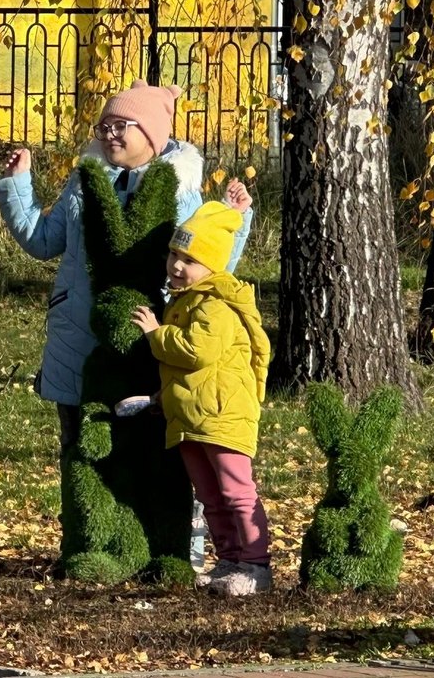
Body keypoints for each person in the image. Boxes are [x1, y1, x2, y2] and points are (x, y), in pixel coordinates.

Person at [0, 80, 253, 462]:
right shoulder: (84, 181)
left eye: (120, 127)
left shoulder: (180, 191)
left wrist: (236, 220)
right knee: (79, 439)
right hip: (78, 330)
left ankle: (161, 517)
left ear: (151, 133)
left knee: (148, 446)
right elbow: (42, 240)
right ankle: (80, 517)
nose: (109, 136)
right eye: (104, 128)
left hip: (150, 335)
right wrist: (18, 185)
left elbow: (208, 267)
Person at [129, 201, 272, 596]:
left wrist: (155, 334)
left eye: (189, 259)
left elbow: (197, 352)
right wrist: (164, 398)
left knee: (235, 491)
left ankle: (255, 565)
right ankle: (229, 559)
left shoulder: (215, 305)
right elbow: (191, 374)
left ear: (212, 267)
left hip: (222, 416)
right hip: (194, 417)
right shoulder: (186, 300)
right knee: (210, 495)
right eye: (174, 254)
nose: (177, 265)